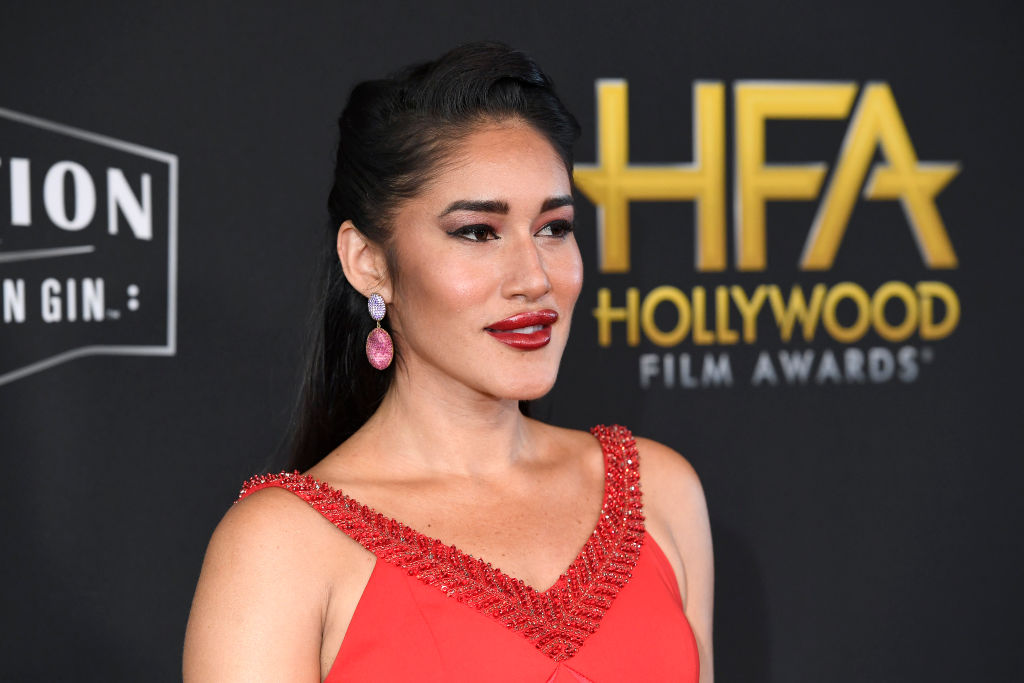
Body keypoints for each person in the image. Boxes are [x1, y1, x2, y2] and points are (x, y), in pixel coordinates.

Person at [183, 42, 713, 682]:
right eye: (477, 232)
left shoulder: (659, 492)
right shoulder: (279, 548)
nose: (534, 278)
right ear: (369, 262)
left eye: (554, 227)